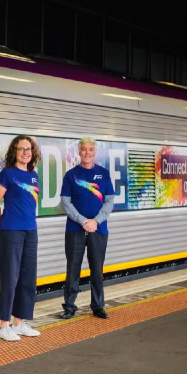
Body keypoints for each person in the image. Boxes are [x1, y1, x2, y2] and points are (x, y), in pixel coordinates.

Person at [0, 135, 42, 342]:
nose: (25, 153)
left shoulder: (33, 175)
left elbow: (31, 204)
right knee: (10, 278)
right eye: (21, 149)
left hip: (31, 231)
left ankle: (19, 323)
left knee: (27, 278)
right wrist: (1, 228)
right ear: (14, 152)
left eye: (28, 149)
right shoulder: (6, 174)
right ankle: (4, 325)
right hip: (11, 232)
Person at [60, 137, 114, 320]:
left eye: (90, 149)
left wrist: (95, 222)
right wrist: (84, 221)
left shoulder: (104, 174)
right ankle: (69, 307)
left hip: (98, 230)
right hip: (75, 230)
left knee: (97, 270)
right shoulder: (71, 175)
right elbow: (66, 203)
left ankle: (98, 306)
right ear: (79, 151)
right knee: (72, 269)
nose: (87, 153)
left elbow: (109, 202)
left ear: (95, 152)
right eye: (84, 149)